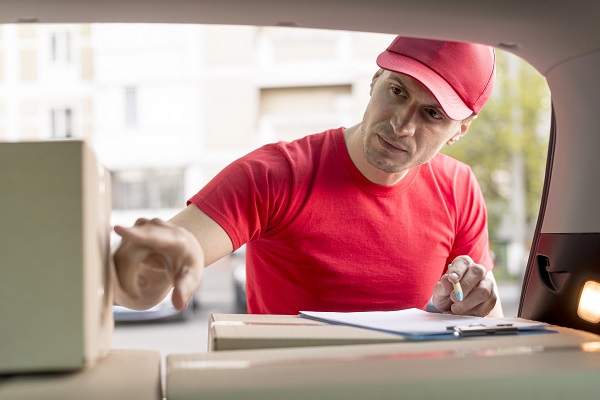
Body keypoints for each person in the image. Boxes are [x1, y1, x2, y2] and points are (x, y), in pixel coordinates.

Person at [112, 35, 503, 318]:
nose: (401, 125)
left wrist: (480, 303)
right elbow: (144, 277)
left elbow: (484, 318)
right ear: (374, 82)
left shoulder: (459, 188)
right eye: (397, 91)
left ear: (459, 131)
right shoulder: (274, 175)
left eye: (432, 114)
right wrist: (143, 273)